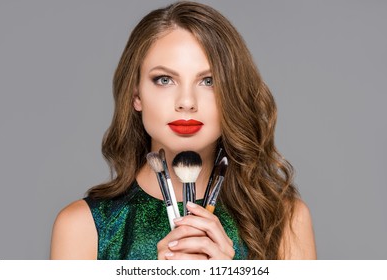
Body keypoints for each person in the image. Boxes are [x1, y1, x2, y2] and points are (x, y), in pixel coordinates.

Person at [50, 1, 316, 260]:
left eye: (208, 81)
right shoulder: (83, 227)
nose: (187, 102)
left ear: (232, 93)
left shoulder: (284, 221)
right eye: (164, 80)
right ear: (136, 94)